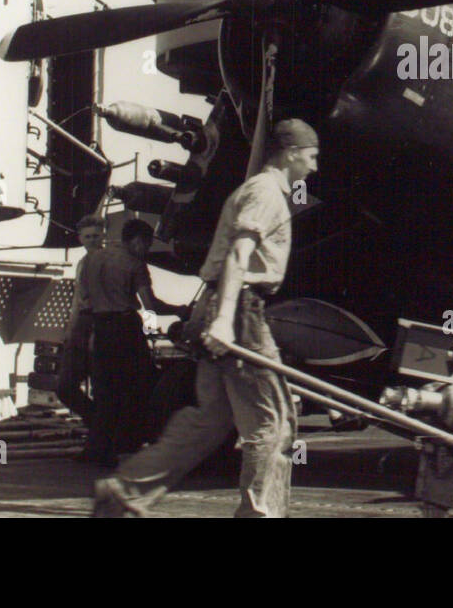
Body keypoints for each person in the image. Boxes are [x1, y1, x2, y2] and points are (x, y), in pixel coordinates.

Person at [94, 119, 319, 518]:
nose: (314, 167)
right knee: (274, 422)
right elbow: (237, 255)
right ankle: (260, 513)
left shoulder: (252, 190)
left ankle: (124, 492)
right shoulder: (267, 193)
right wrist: (225, 321)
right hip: (241, 311)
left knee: (209, 421)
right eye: (311, 156)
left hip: (219, 306)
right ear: (290, 153)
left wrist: (215, 316)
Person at [81, 219, 180, 467]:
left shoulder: (91, 259)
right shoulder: (135, 264)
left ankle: (97, 449)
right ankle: (130, 443)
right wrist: (182, 310)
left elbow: (85, 299)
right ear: (137, 240)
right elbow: (151, 306)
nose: (146, 250)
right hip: (124, 329)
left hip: (99, 328)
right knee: (143, 385)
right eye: (146, 244)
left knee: (104, 390)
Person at [59, 215, 105, 436]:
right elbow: (78, 299)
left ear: (103, 235)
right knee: (65, 387)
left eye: (96, 235)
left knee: (101, 386)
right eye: (88, 237)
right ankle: (96, 421)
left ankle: (99, 434)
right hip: (80, 327)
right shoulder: (82, 263)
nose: (92, 240)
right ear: (80, 239)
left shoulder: (109, 261)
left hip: (100, 327)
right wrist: (70, 330)